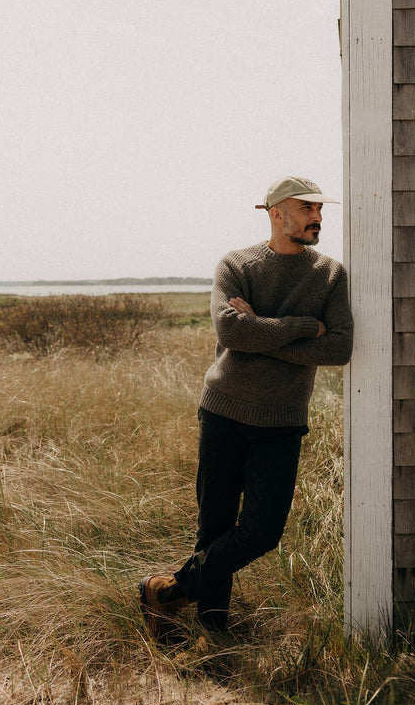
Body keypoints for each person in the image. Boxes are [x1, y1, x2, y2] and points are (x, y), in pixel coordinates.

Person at [140, 175, 354, 636]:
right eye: (306, 209)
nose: (317, 217)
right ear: (277, 214)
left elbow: (338, 349)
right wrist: (302, 326)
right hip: (224, 411)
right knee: (214, 526)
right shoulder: (236, 264)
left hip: (282, 419)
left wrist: (264, 330)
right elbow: (232, 333)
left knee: (263, 532)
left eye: (320, 210)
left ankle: (166, 591)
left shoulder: (331, 275)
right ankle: (214, 631)